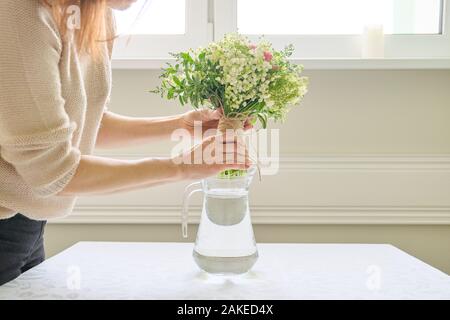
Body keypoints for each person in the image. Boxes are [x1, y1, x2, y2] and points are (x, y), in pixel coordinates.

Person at [0, 0, 250, 285]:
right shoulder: (18, 11)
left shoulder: (95, 12)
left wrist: (179, 126)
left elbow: (86, 122)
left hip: (29, 225)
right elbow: (51, 169)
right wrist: (180, 167)